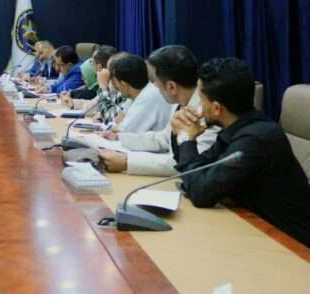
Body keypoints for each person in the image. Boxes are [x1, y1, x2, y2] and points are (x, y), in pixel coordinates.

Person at [173, 58, 310, 247]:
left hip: (293, 246)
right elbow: (197, 172)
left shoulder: (256, 139)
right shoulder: (237, 129)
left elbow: (202, 193)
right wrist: (183, 135)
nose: (198, 107)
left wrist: (186, 139)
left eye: (201, 99)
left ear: (216, 108)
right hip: (255, 229)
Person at [98, 45, 218, 176]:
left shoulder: (207, 112)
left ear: (171, 87)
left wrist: (127, 162)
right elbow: (163, 138)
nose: (152, 86)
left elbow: (191, 163)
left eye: (153, 81)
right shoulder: (182, 103)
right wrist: (120, 138)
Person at [107, 53, 173, 133]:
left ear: (124, 84)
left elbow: (122, 132)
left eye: (115, 82)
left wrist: (118, 126)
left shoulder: (148, 97)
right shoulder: (136, 94)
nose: (115, 86)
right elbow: (117, 121)